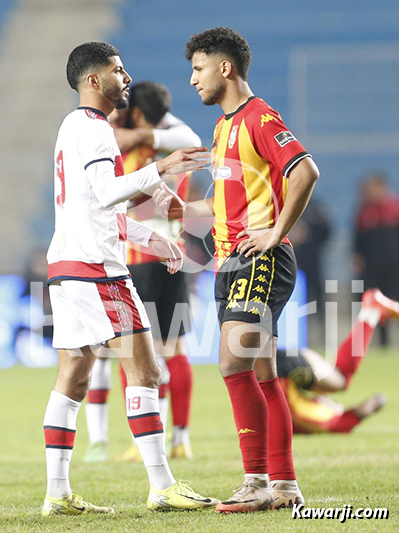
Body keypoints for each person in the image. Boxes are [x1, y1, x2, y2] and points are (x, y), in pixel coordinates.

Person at [42, 41, 219, 517]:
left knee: (73, 379)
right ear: (93, 81)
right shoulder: (97, 131)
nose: (126, 77)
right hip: (100, 272)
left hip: (66, 268)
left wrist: (151, 236)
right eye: (118, 70)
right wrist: (158, 170)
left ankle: (56, 493)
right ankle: (162, 485)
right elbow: (105, 193)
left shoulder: (70, 127)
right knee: (146, 370)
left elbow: (94, 206)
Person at [154, 27, 320, 513]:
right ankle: (284, 485)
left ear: (224, 68)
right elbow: (227, 205)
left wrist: (273, 232)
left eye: (198, 68)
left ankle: (255, 482)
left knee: (232, 363)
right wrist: (178, 211)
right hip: (234, 261)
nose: (192, 80)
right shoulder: (224, 127)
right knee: (264, 375)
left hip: (261, 258)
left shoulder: (260, 117)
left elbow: (305, 171)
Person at [83, 81, 198, 464]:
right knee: (175, 350)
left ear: (135, 113)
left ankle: (146, 438)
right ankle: (181, 437)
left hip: (139, 256)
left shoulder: (131, 149)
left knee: (132, 351)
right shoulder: (173, 144)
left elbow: (120, 197)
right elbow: (189, 136)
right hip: (175, 256)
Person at [277, 288, 399, 433]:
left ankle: (371, 312)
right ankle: (371, 312)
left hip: (277, 369)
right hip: (277, 359)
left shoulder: (322, 418)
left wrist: (358, 414)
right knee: (339, 378)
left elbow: (335, 424)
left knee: (340, 379)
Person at [352, 172, 399, 346]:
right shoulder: (364, 212)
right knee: (377, 307)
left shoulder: (395, 209)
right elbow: (358, 240)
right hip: (373, 270)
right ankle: (383, 344)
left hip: (395, 268)